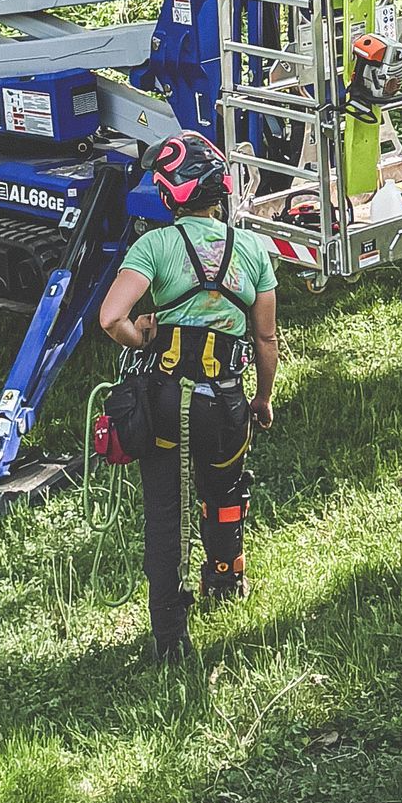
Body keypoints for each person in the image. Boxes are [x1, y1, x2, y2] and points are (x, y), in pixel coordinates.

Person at [97, 130, 279, 661]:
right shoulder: (253, 249)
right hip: (225, 399)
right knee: (224, 492)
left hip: (165, 398)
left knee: (163, 510)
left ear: (169, 192)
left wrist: (143, 334)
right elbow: (265, 340)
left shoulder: (153, 246)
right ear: (220, 190)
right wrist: (262, 401)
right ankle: (224, 578)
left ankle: (170, 636)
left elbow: (112, 318)